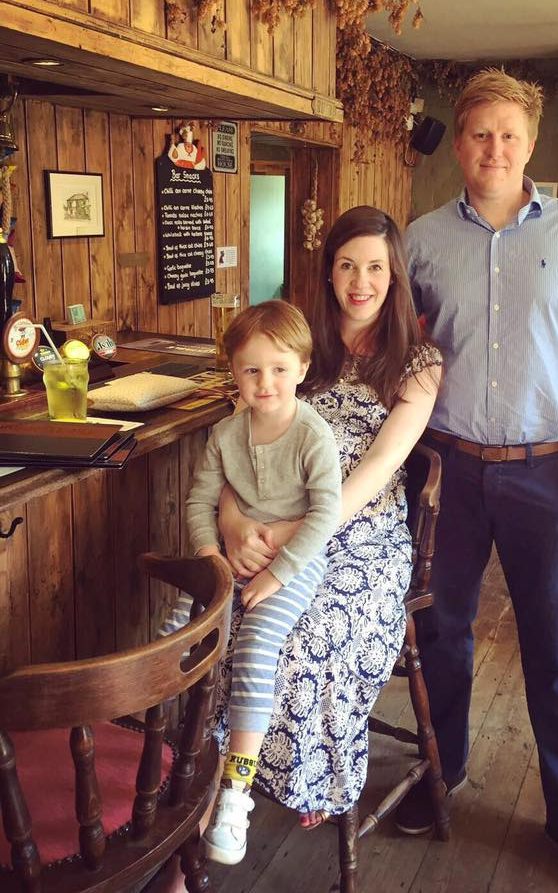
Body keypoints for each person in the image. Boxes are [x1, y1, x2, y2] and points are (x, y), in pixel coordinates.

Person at [401, 68, 558, 893]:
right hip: (447, 475)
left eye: (508, 134)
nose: (493, 148)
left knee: (555, 653)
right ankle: (444, 773)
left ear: (529, 144)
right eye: (479, 134)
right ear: (458, 146)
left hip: (549, 475)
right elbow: (392, 344)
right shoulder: (422, 240)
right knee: (442, 635)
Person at [216, 205, 442, 830]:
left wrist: (295, 533)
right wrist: (233, 524)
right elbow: (239, 443)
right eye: (347, 266)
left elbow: (377, 469)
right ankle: (205, 782)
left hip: (361, 536)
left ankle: (301, 772)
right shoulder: (297, 346)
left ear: (394, 276)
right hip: (267, 518)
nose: (360, 282)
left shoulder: (418, 363)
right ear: (328, 272)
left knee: (308, 632)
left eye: (375, 267)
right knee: (207, 618)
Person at [161, 299, 342, 866]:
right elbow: (199, 501)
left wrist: (278, 574)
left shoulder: (313, 435)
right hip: (230, 559)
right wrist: (210, 559)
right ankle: (169, 756)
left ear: (303, 368)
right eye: (252, 370)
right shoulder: (225, 433)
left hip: (295, 562)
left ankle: (236, 792)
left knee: (257, 644)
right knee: (172, 630)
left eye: (280, 369)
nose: (266, 383)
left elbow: (325, 515)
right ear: (234, 372)